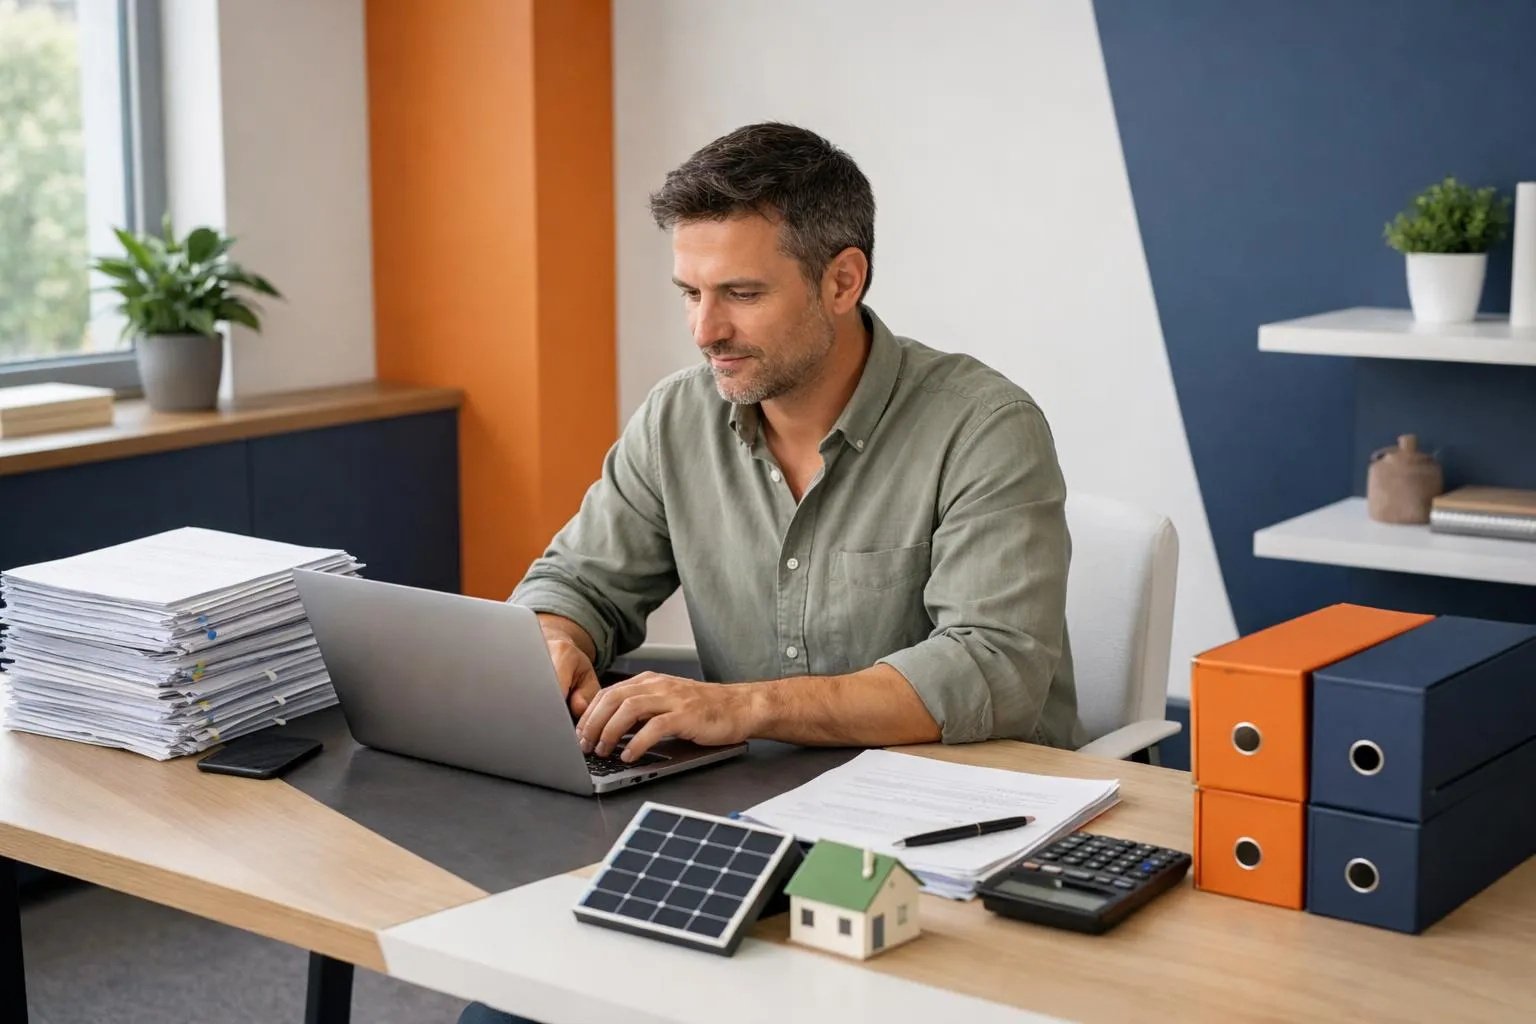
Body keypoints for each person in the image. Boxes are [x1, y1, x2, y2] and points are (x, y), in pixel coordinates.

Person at [458, 122, 1083, 1024]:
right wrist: (555, 640)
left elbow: (994, 669)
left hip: (951, 839)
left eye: (742, 294)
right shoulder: (677, 419)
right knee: (510, 1010)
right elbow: (578, 581)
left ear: (843, 281)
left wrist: (744, 707)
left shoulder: (983, 426)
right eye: (691, 293)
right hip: (753, 817)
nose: (705, 330)